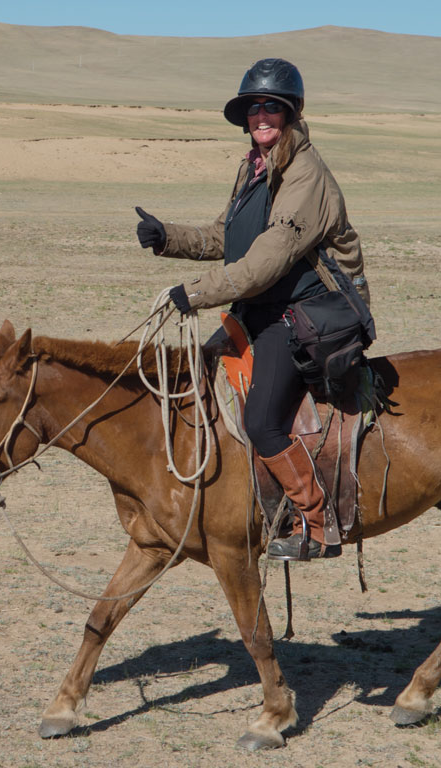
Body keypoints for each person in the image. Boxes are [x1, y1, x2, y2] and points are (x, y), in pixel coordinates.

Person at [134, 58, 369, 561]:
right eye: (253, 108)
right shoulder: (255, 167)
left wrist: (194, 292)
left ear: (289, 113)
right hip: (264, 304)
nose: (261, 116)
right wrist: (167, 237)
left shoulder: (304, 173)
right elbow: (228, 236)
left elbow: (266, 260)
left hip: (308, 312)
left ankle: (318, 524)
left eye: (271, 107)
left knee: (262, 421)